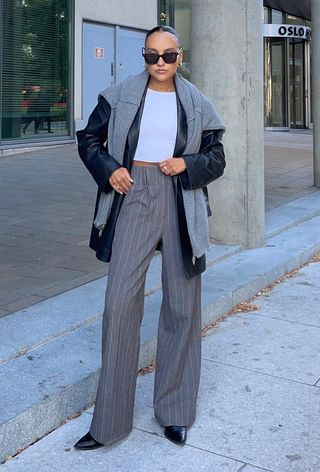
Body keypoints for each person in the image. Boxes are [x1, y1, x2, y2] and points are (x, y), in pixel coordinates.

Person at [74, 25, 226, 450]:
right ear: (143, 56)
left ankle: (175, 412)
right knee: (119, 303)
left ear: (181, 56)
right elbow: (88, 140)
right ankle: (108, 423)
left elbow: (217, 158)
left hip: (180, 198)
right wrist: (110, 168)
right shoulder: (120, 94)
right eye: (151, 55)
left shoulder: (197, 102)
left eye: (168, 55)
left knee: (182, 305)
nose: (160, 63)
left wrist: (187, 164)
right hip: (133, 194)